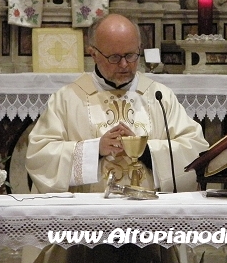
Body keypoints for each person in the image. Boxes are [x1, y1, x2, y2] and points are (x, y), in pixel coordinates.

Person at [25, 13, 210, 262]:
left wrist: (146, 151)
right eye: (114, 57)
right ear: (93, 54)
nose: (124, 65)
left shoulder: (159, 96)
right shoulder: (68, 99)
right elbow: (39, 155)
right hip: (84, 233)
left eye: (131, 55)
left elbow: (196, 149)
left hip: (149, 231)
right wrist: (94, 150)